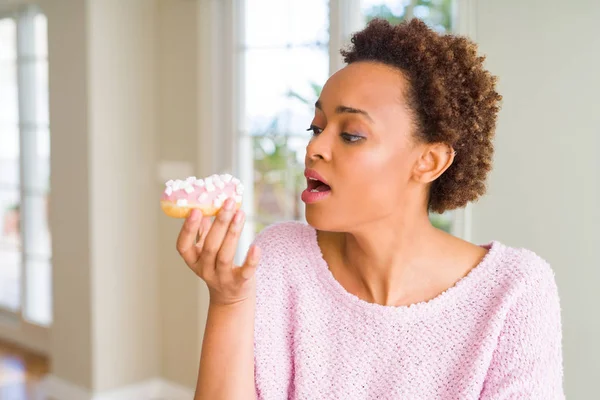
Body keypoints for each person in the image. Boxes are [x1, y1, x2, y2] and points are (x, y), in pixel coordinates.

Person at [176, 18, 564, 399]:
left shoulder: (514, 290)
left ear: (428, 161)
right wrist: (228, 303)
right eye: (317, 127)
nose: (314, 148)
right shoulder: (281, 257)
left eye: (351, 134)